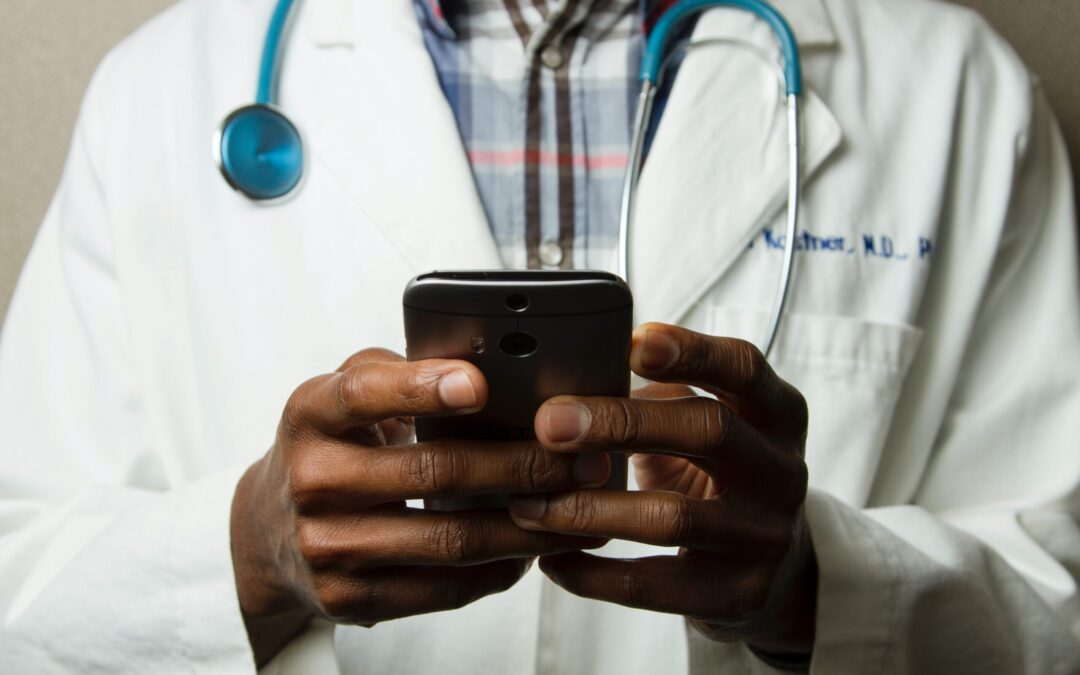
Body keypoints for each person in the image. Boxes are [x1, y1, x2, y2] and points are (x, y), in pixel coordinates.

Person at [1, 0, 1078, 672]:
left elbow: (1059, 595)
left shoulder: (960, 90)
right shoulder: (159, 90)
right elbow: (20, 591)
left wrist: (816, 586)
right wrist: (248, 552)